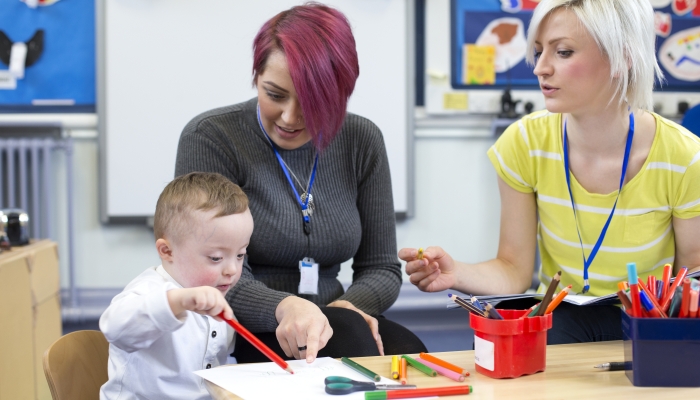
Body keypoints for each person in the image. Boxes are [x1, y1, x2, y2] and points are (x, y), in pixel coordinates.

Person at [401, 0, 700, 344]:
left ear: (623, 58)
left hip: (646, 321)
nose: (540, 68)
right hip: (560, 317)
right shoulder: (525, 142)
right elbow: (513, 271)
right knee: (509, 345)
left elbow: (689, 284)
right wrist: (456, 273)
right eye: (540, 51)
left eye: (563, 52)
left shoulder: (685, 157)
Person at [175, 2, 426, 363]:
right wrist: (288, 307)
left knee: (409, 353)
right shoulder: (211, 138)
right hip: (244, 323)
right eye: (274, 94)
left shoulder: (362, 139)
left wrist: (345, 308)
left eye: (312, 102)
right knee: (353, 343)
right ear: (256, 76)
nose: (290, 117)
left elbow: (381, 269)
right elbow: (211, 274)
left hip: (335, 316)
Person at [100, 172, 254, 399]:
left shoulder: (217, 294)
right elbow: (114, 327)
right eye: (216, 258)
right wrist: (178, 301)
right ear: (167, 251)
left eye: (240, 255)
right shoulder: (148, 290)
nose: (232, 269)